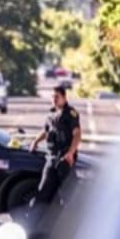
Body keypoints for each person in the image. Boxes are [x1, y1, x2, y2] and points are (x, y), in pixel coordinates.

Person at [28, 84, 82, 215]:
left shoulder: (70, 113)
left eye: (57, 97)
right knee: (43, 190)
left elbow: (77, 134)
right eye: (52, 97)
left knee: (69, 193)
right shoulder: (51, 114)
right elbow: (46, 131)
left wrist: (70, 153)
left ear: (64, 97)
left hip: (65, 159)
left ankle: (73, 222)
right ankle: (32, 220)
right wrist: (35, 141)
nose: (54, 99)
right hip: (51, 158)